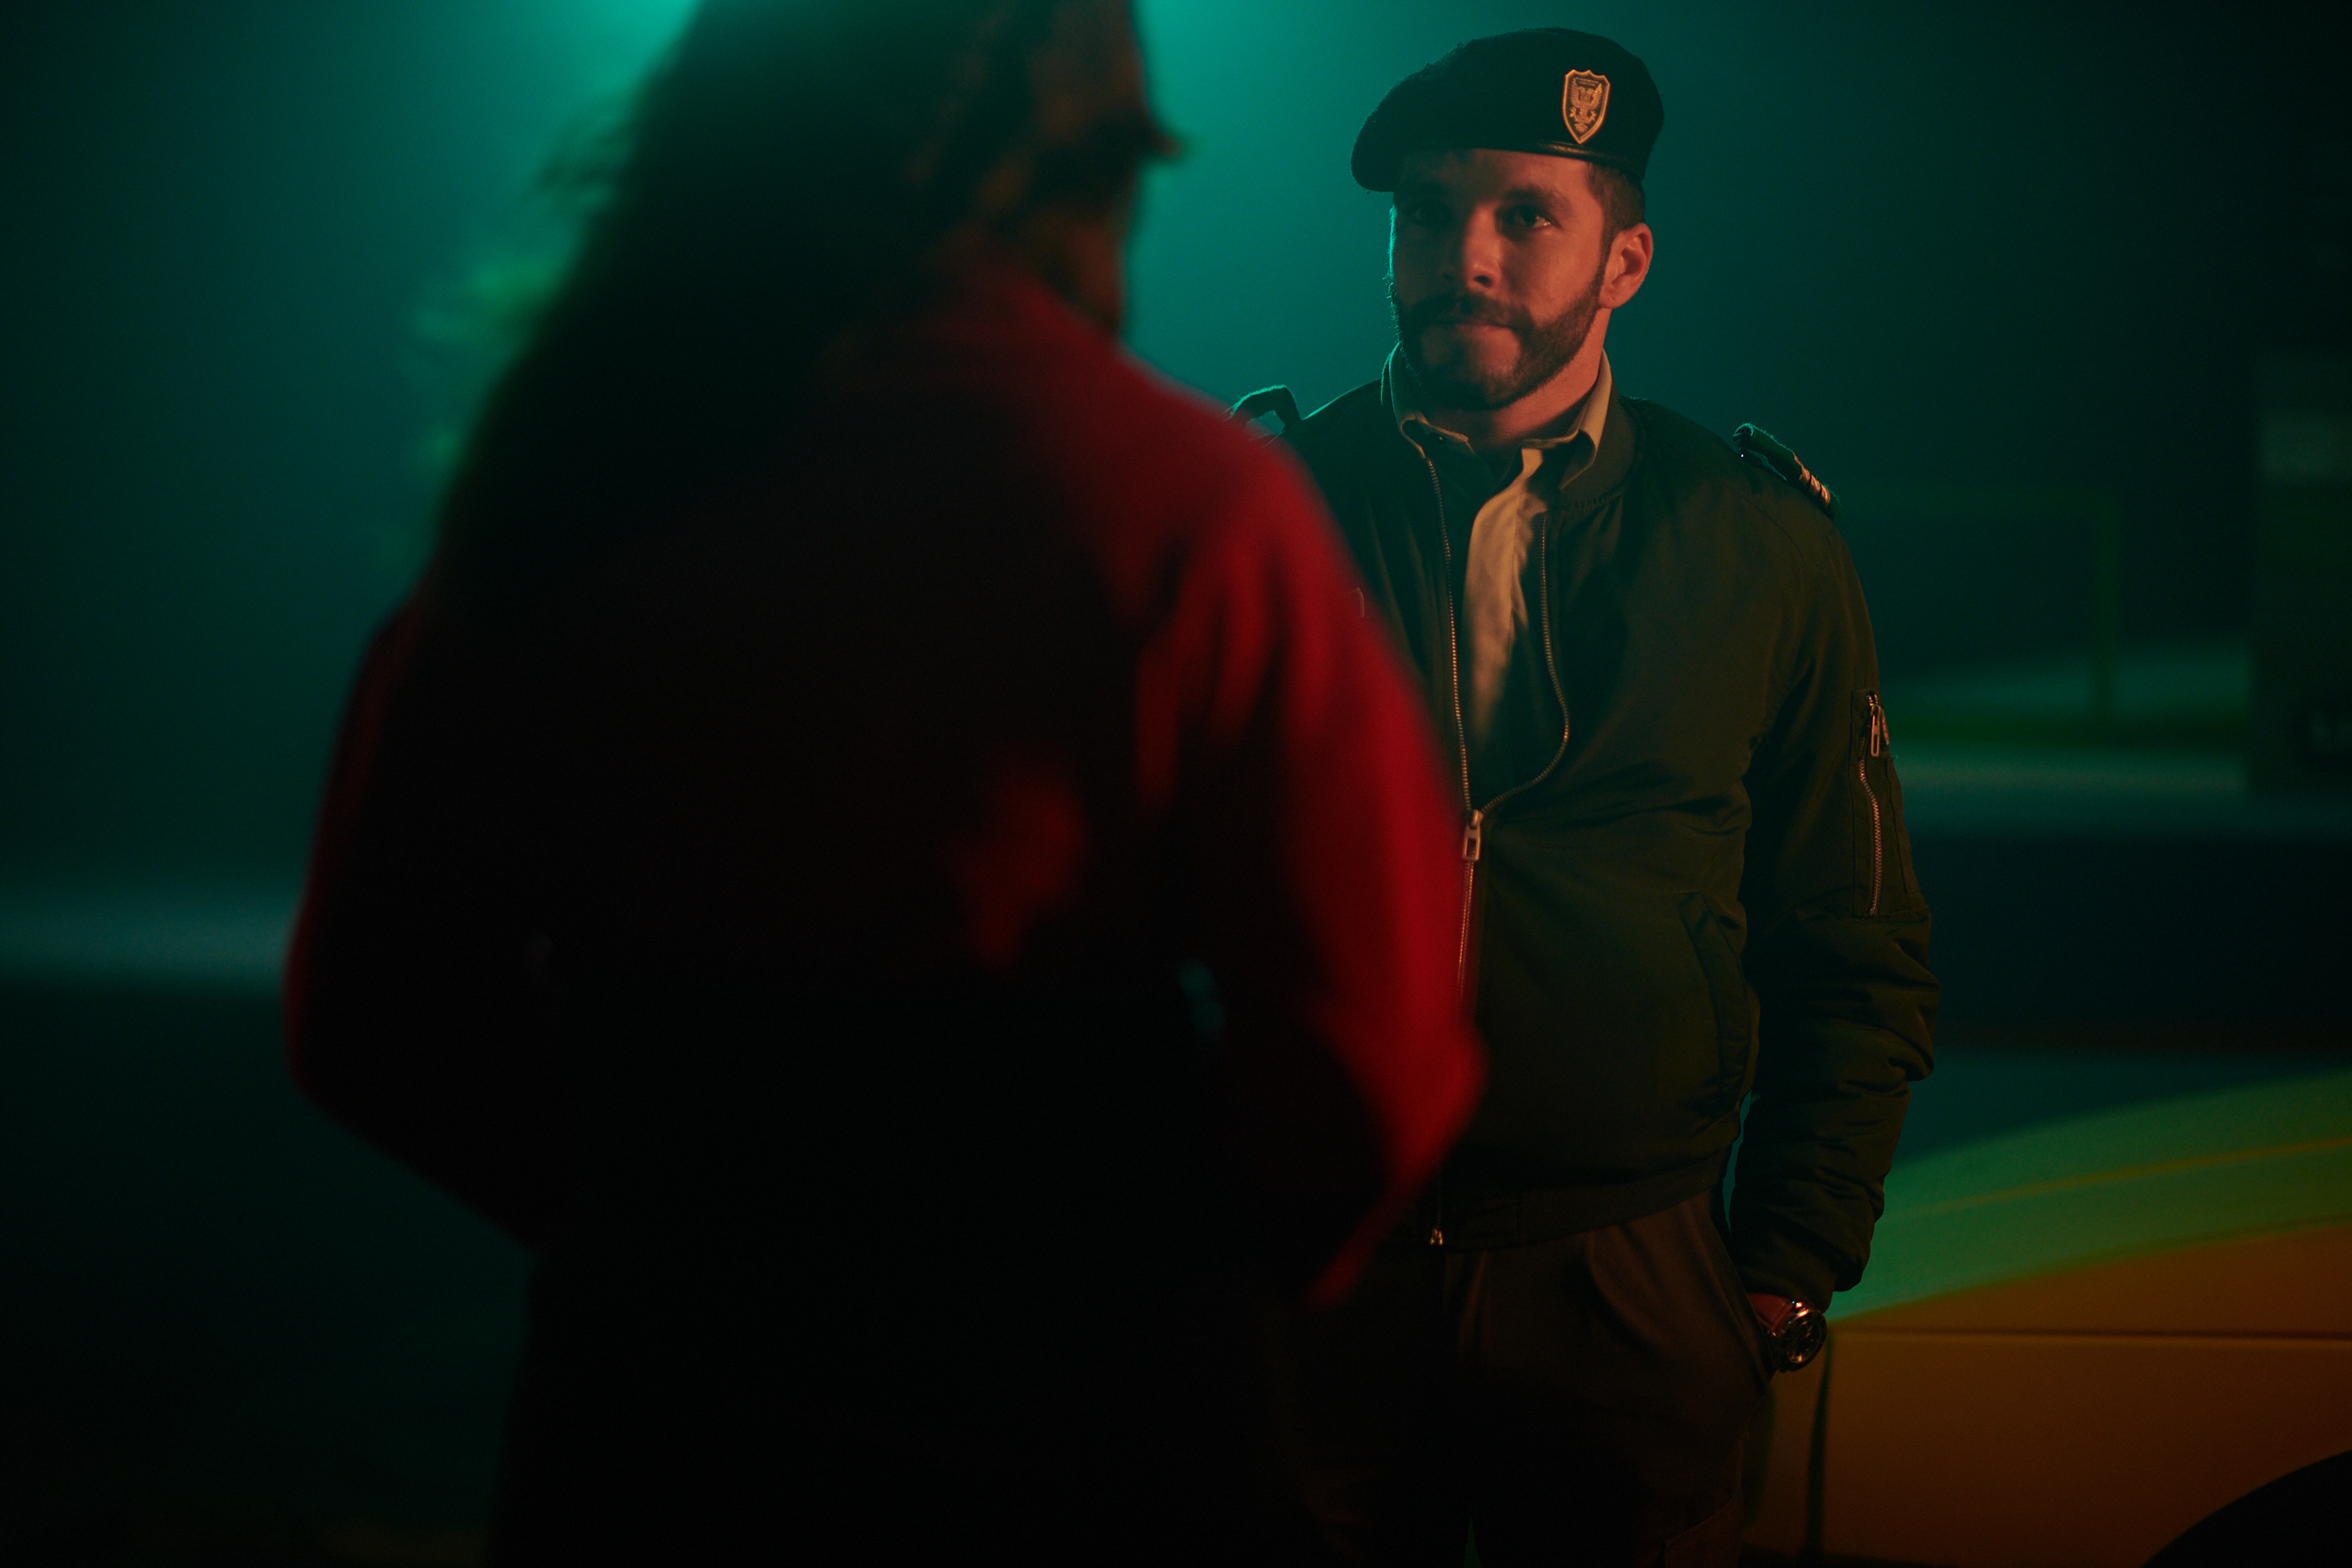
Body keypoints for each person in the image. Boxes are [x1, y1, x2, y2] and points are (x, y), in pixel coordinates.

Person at [280, 2, 1483, 1560]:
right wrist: (1151, 1284)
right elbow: (1369, 1063)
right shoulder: (1180, 508)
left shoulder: (565, 477)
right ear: (1066, 167)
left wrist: (657, 1227)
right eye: (1122, 170)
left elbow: (373, 1012)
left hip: (657, 1431)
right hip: (1083, 1446)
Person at [1246, 29, 1938, 1567]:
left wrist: (1782, 1268)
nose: (1464, 258)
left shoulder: (1755, 542)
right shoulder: (1261, 514)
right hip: (1309, 1274)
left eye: (1523, 216)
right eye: (1427, 214)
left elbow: (1854, 941)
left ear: (1625, 260)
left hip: (1631, 1281)